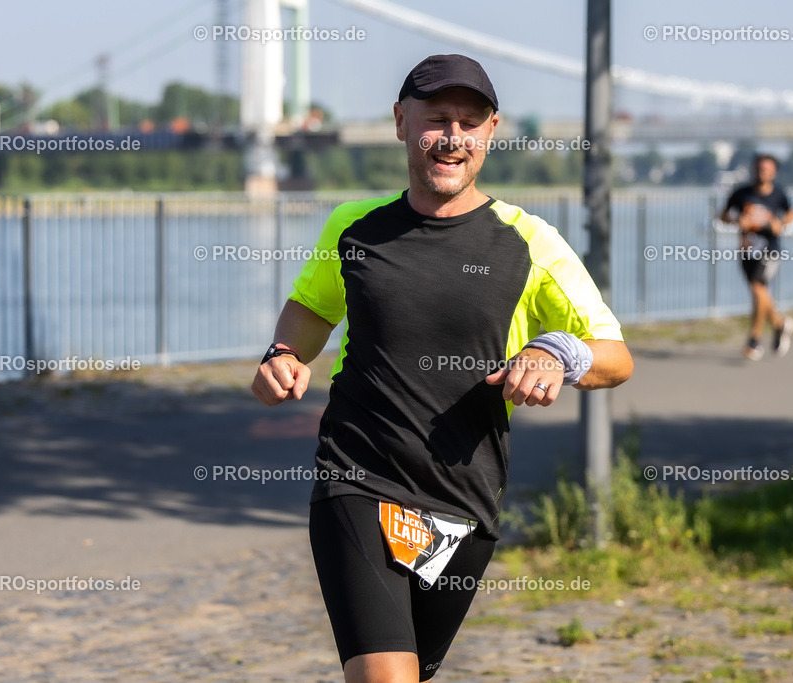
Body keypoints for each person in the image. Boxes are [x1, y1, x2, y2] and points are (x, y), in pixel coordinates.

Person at [251, 54, 633, 683]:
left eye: (469, 123)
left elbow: (615, 358)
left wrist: (556, 353)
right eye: (437, 120)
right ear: (401, 121)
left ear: (491, 132)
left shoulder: (528, 242)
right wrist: (283, 355)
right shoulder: (354, 228)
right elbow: (311, 309)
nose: (453, 137)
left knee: (413, 673)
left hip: (465, 499)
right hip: (358, 478)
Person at [720, 153, 793, 360]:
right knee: (758, 294)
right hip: (747, 250)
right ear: (754, 169)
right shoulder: (741, 194)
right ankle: (779, 325)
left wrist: (780, 224)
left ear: (774, 172)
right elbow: (724, 216)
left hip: (770, 250)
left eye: (767, 168)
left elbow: (791, 214)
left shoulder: (778, 194)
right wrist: (738, 220)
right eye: (759, 167)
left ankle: (753, 340)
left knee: (757, 287)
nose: (762, 171)